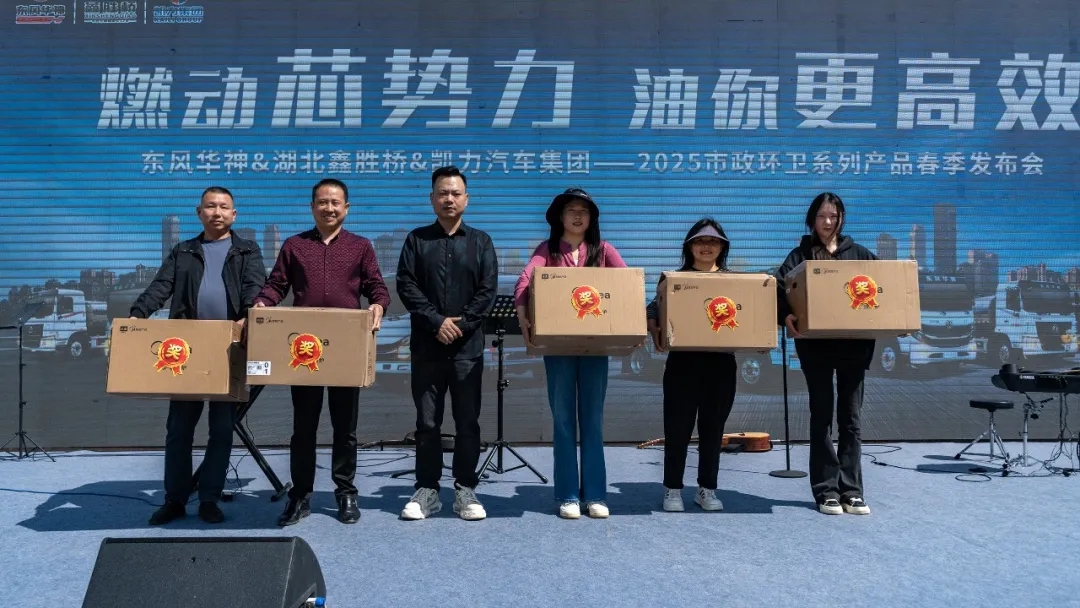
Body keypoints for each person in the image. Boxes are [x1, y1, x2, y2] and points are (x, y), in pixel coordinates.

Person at [254, 178, 390, 526]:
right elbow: (277, 285)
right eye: (323, 202)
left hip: (345, 347)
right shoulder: (295, 245)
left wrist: (378, 304)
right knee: (304, 427)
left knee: (345, 427)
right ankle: (300, 495)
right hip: (304, 349)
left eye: (336, 202)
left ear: (346, 208)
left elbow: (376, 285)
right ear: (312, 206)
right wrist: (262, 303)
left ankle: (345, 492)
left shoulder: (360, 247)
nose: (329, 208)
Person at [129, 186, 266, 525]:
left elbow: (255, 287)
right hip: (186, 349)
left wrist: (249, 315)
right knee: (179, 429)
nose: (217, 212)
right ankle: (175, 499)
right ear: (199, 212)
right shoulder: (184, 250)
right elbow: (161, 287)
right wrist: (136, 316)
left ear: (234, 214)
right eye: (210, 206)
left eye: (224, 207)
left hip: (229, 348)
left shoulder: (247, 250)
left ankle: (209, 499)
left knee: (221, 429)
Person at [514, 187, 627, 519]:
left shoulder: (604, 250)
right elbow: (525, 281)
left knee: (592, 420)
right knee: (563, 419)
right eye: (571, 210)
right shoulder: (547, 250)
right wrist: (523, 313)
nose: (578, 216)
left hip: (596, 345)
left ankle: (595, 495)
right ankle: (567, 495)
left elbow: (627, 284)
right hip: (559, 347)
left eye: (584, 211)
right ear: (560, 217)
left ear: (592, 218)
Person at [396, 166, 498, 521]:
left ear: (466, 199)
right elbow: (406, 285)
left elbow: (487, 290)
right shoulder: (417, 240)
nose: (449, 199)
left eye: (455, 193)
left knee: (468, 421)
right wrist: (436, 321)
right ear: (432, 199)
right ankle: (427, 490)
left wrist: (461, 324)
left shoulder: (481, 242)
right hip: (427, 347)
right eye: (443, 193)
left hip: (467, 350)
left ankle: (465, 489)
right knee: (427, 423)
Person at [775, 192, 876, 516]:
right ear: (812, 219)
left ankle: (852, 491)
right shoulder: (799, 256)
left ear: (841, 218)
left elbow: (884, 288)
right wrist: (785, 316)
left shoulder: (860, 255)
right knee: (821, 417)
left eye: (833, 216)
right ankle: (826, 490)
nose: (828, 222)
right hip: (815, 347)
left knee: (851, 419)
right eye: (821, 216)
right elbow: (778, 289)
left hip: (854, 347)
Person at [645, 218, 734, 513]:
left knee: (713, 430)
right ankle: (672, 488)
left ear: (722, 247)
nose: (706, 246)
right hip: (683, 364)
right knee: (677, 429)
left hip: (721, 364)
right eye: (700, 241)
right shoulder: (674, 280)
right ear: (689, 247)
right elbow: (653, 307)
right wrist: (654, 328)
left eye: (713, 241)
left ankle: (707, 489)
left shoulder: (734, 282)